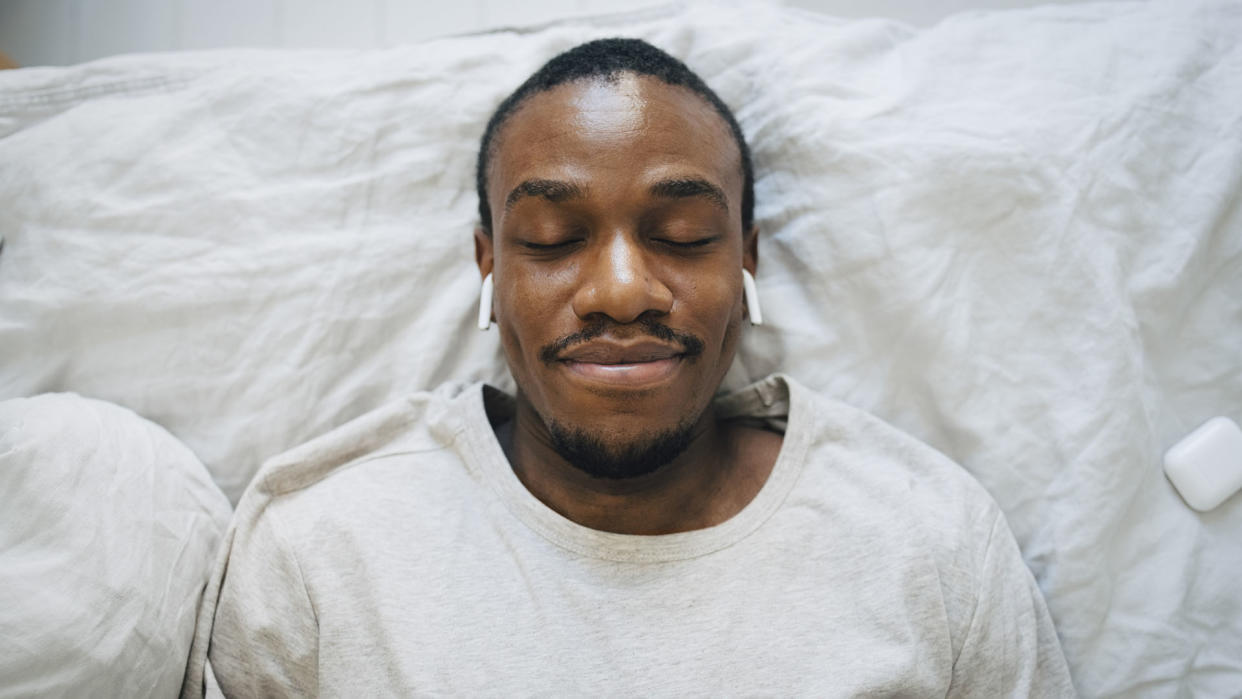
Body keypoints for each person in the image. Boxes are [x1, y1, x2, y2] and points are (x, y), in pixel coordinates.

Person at [183, 38, 1074, 697]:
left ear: (746, 263)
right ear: (491, 269)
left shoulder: (928, 540)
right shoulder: (324, 552)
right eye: (554, 239)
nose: (620, 290)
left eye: (681, 236)